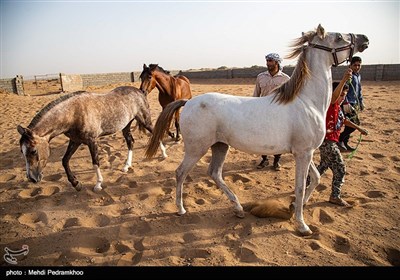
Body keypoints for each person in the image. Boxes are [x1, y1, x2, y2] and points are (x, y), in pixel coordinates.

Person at [311, 69, 369, 206]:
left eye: (344, 95)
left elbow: (343, 121)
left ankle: (305, 184)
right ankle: (335, 196)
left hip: (331, 142)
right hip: (327, 142)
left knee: (323, 166)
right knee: (341, 169)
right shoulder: (329, 105)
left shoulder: (338, 107)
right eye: (341, 94)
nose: (342, 97)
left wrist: (359, 128)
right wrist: (344, 80)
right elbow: (333, 97)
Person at [253, 53, 290, 171]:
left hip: (278, 112)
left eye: (270, 61)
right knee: (262, 136)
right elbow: (256, 94)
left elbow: (288, 97)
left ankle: (276, 160)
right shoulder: (260, 76)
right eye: (267, 61)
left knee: (277, 137)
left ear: (277, 62)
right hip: (262, 110)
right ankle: (264, 159)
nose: (268, 63)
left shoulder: (285, 79)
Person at [338, 56, 365, 152]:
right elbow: (343, 89)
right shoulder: (349, 76)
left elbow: (359, 90)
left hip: (354, 103)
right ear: (351, 65)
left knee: (350, 124)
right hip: (347, 104)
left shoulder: (358, 76)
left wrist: (361, 102)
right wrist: (346, 103)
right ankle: (340, 139)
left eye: (359, 65)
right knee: (354, 124)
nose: (357, 67)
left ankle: (344, 143)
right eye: (355, 65)